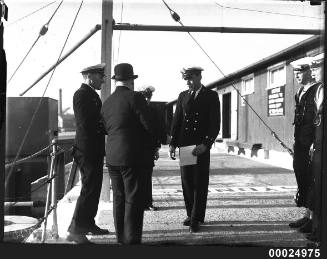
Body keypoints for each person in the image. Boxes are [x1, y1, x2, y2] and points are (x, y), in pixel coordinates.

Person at [101, 63, 154, 245]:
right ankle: (132, 241)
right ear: (131, 80)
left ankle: (121, 238)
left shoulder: (107, 102)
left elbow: (106, 129)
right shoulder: (135, 97)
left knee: (119, 198)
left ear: (116, 80)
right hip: (131, 157)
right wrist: (160, 140)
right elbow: (148, 124)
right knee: (133, 198)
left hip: (112, 158)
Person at [169, 66, 221, 233]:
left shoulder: (211, 96)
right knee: (187, 181)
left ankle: (196, 217)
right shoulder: (183, 96)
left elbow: (215, 123)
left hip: (200, 146)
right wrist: (172, 143)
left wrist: (206, 144)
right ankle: (191, 213)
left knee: (199, 181)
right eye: (186, 80)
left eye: (191, 79)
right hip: (185, 144)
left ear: (199, 77)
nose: (188, 82)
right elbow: (177, 122)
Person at [66, 63, 109, 244]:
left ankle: (88, 223)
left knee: (94, 188)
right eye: (100, 76)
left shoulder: (92, 95)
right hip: (87, 149)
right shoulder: (81, 94)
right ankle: (75, 230)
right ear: (90, 76)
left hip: (94, 148)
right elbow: (85, 123)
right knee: (89, 189)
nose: (103, 80)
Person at [288, 57, 320, 234]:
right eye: (295, 72)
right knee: (302, 177)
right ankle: (307, 215)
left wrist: (315, 144)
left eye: (300, 72)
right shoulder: (300, 91)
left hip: (312, 144)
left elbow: (318, 120)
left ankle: (313, 218)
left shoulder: (318, 90)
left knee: (313, 180)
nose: (297, 75)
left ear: (310, 72)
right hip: (300, 142)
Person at [137, 85, 167, 211]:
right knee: (138, 177)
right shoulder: (135, 108)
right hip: (136, 148)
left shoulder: (153, 110)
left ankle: (147, 202)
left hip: (148, 148)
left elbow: (157, 129)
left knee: (147, 177)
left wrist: (156, 148)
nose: (147, 98)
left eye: (148, 96)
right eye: (145, 95)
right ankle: (139, 203)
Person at [305, 53, 324, 243]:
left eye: (317, 68)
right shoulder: (319, 90)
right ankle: (317, 228)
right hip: (318, 147)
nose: (313, 72)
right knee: (317, 187)